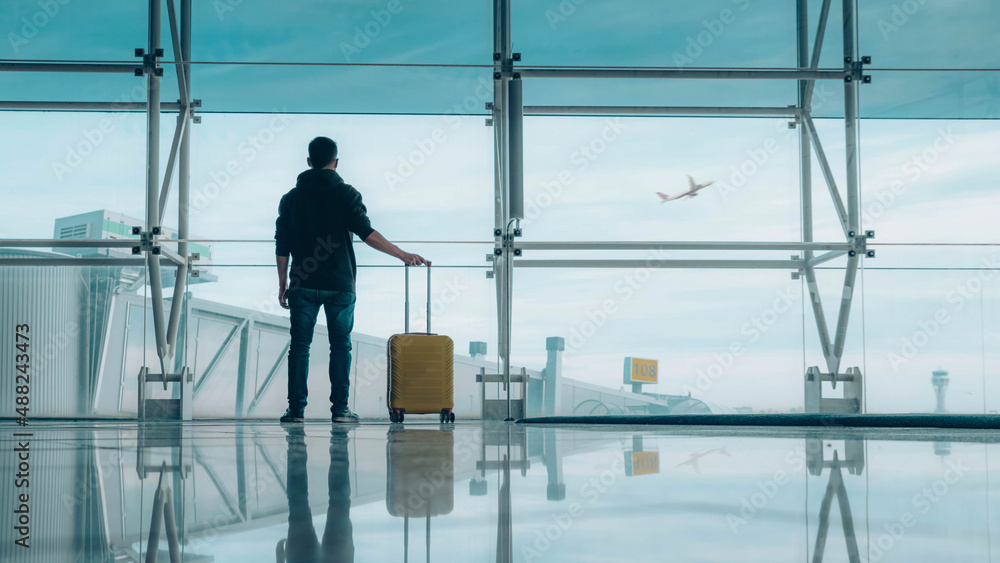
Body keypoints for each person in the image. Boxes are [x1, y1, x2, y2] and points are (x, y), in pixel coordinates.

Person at [275, 136, 426, 423]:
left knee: (299, 347)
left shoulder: (291, 199)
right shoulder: (346, 194)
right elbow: (366, 233)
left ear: (309, 162)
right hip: (340, 285)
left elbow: (282, 244)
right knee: (340, 346)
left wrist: (282, 283)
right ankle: (340, 410)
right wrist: (402, 254)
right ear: (336, 162)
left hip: (302, 283)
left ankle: (296, 410)